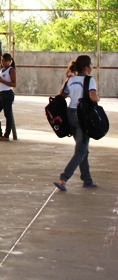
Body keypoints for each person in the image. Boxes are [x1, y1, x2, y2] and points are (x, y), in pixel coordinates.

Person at [54, 55, 100, 191]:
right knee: (81, 150)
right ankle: (64, 178)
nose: (92, 67)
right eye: (91, 65)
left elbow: (62, 95)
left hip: (71, 115)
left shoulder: (71, 79)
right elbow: (93, 97)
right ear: (86, 68)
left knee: (83, 149)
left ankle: (87, 180)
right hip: (82, 117)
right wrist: (97, 99)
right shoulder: (89, 80)